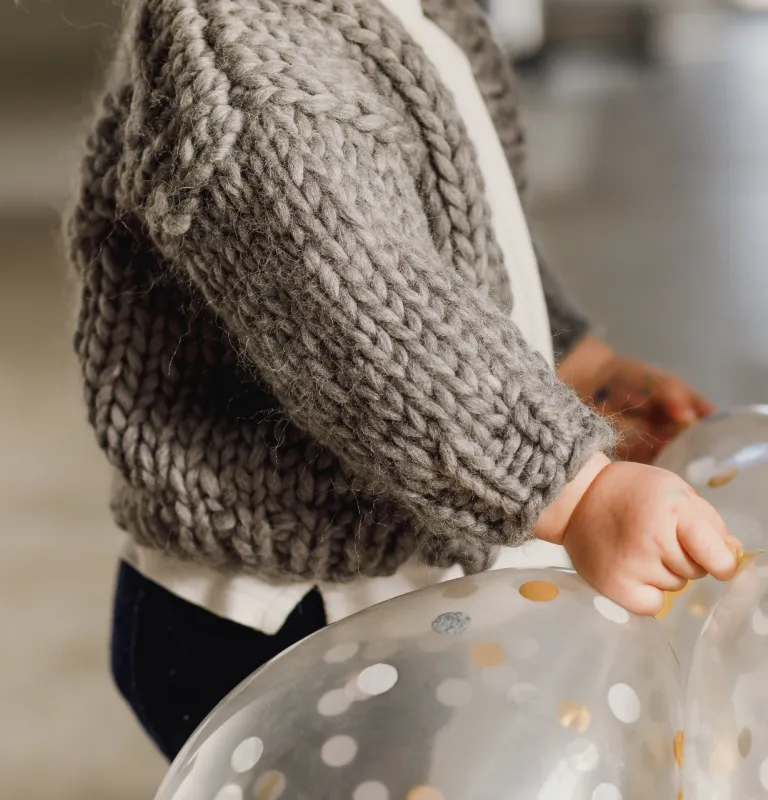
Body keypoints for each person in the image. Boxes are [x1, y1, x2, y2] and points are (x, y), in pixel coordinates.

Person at [66, 0, 740, 761]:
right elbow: (368, 317)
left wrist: (575, 361)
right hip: (287, 609)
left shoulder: (421, 14)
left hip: (395, 569)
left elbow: (460, 240)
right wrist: (573, 489)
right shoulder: (246, 65)